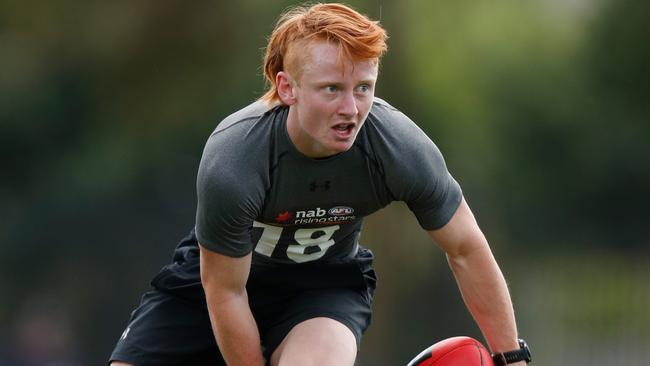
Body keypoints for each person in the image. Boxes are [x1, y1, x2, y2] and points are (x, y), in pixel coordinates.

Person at [109, 3, 530, 366]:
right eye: (332, 89)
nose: (351, 108)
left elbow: (466, 248)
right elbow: (226, 291)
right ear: (286, 87)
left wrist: (512, 358)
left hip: (324, 288)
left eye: (363, 88)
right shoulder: (235, 158)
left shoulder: (397, 147)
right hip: (218, 286)